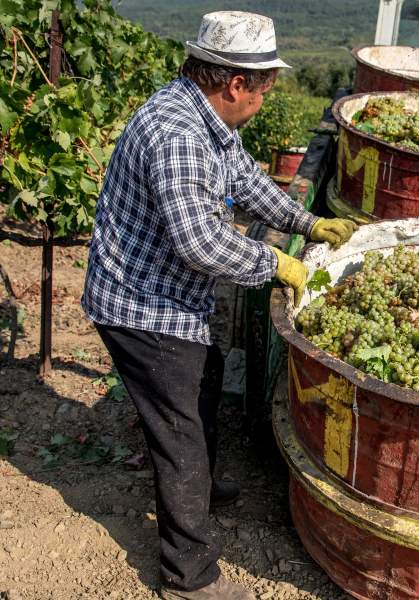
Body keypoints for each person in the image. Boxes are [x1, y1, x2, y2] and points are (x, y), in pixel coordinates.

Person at [81, 11, 356, 600]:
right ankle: (189, 576)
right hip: (141, 306)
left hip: (171, 298)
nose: (263, 101)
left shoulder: (205, 118)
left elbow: (247, 181)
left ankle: (198, 490)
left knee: (201, 385)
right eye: (264, 91)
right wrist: (277, 264)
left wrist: (306, 222)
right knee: (178, 431)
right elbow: (201, 243)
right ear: (235, 84)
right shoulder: (178, 133)